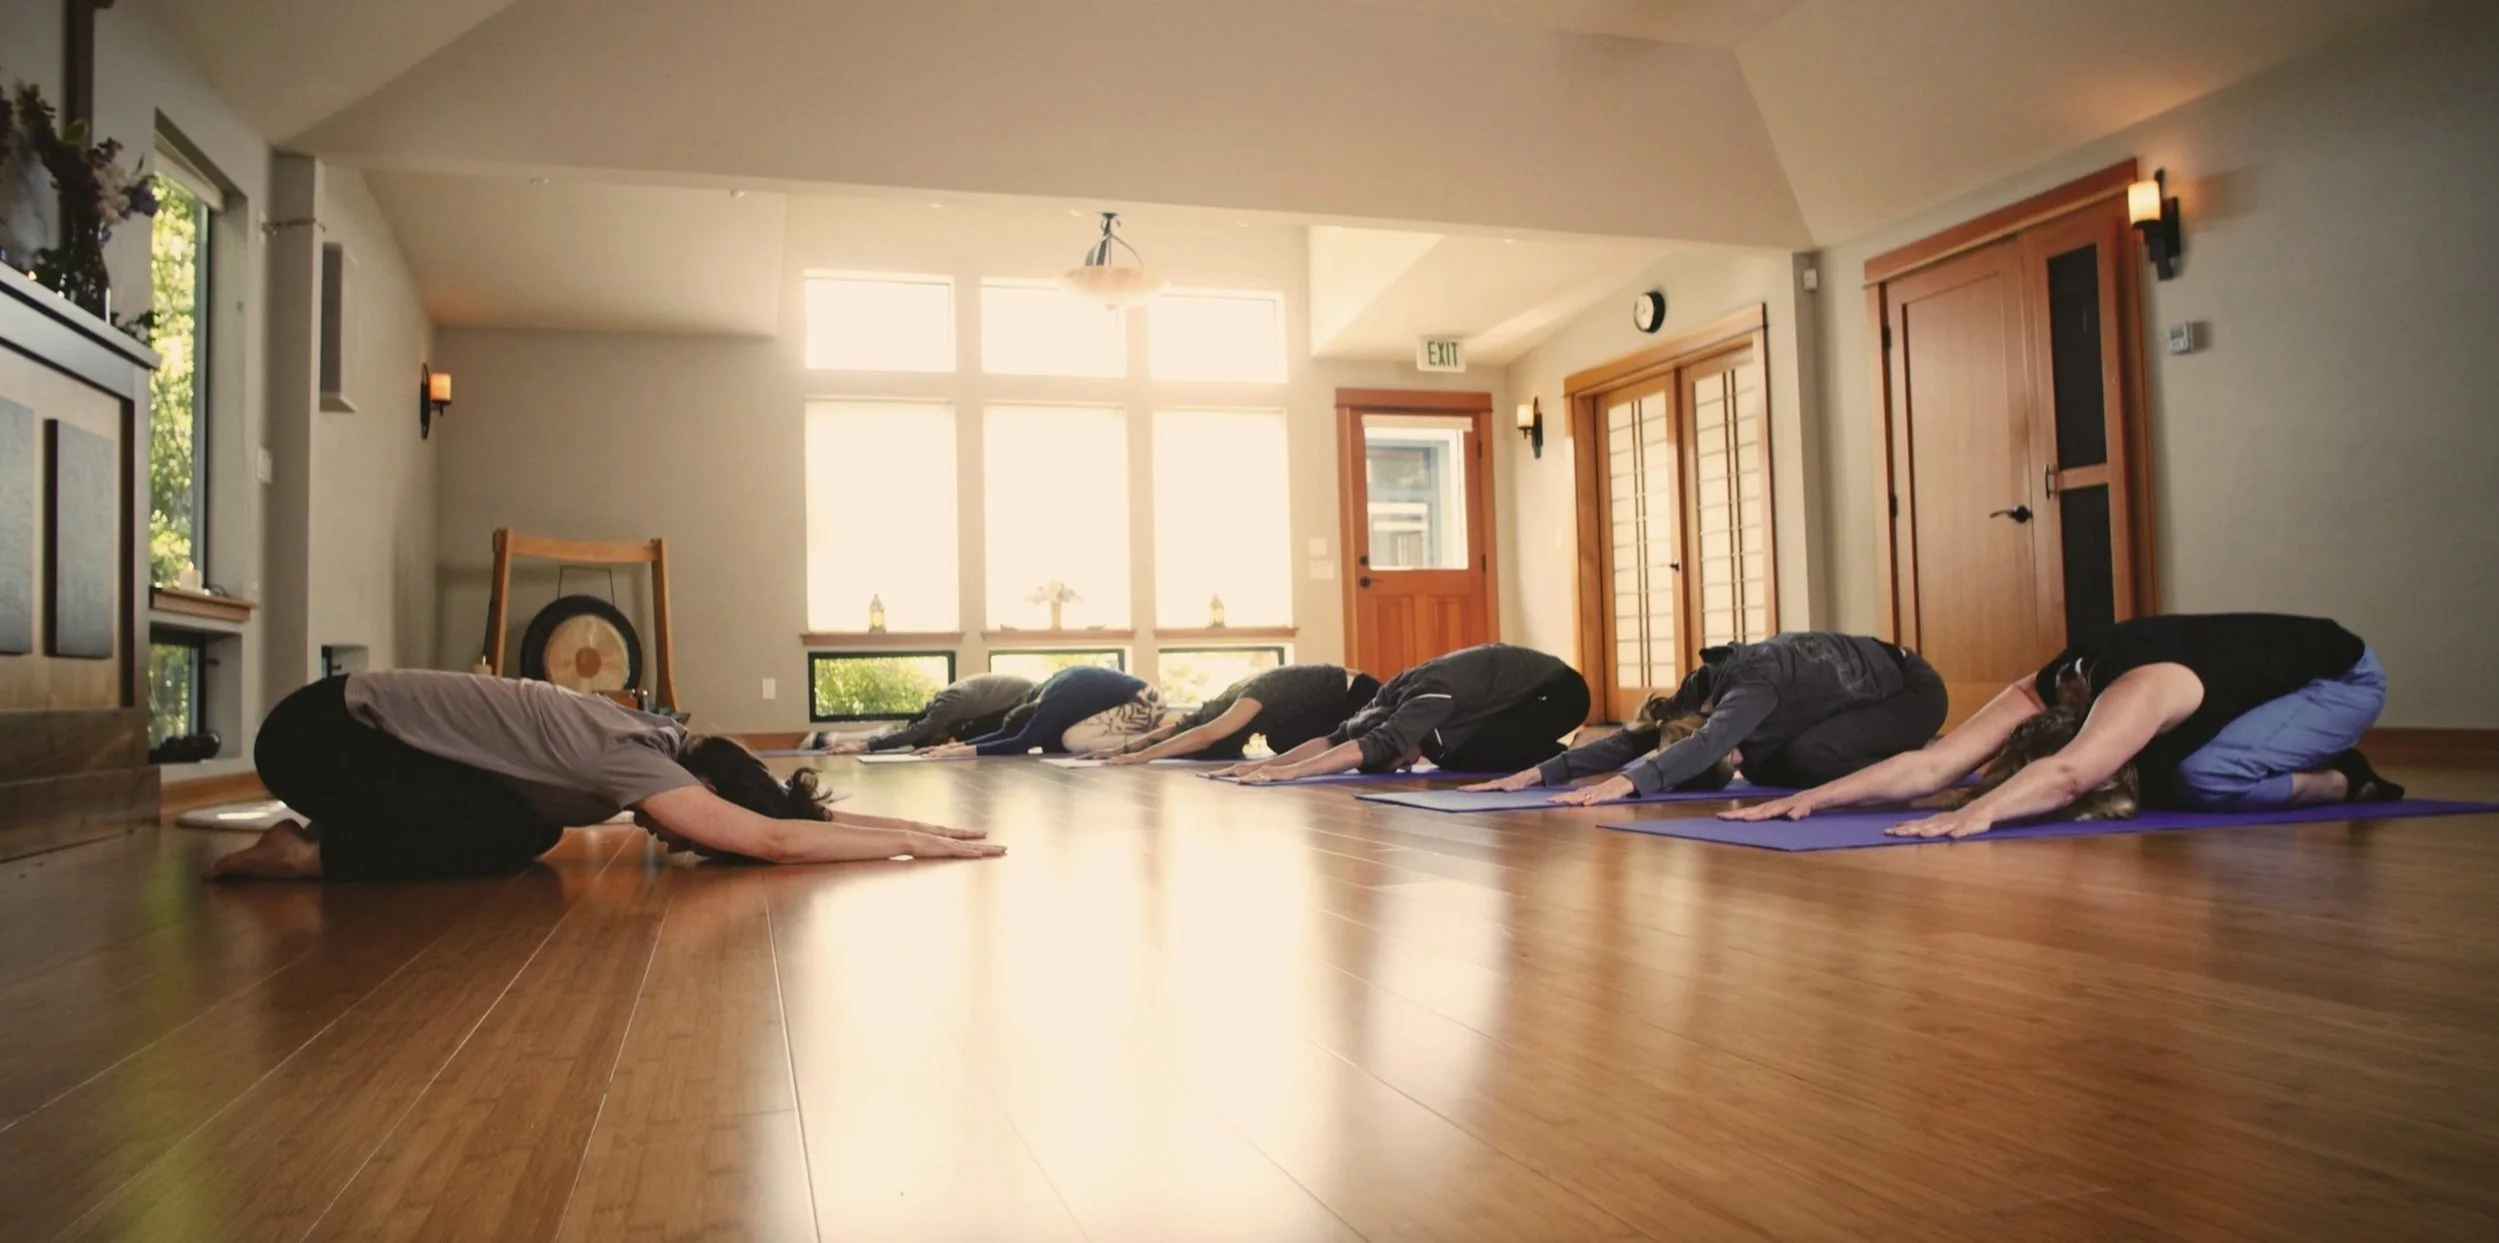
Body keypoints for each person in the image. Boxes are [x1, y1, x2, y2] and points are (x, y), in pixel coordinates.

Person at [207, 671, 1003, 881]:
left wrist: (924, 828)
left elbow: (786, 819)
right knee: (506, 834)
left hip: (337, 729)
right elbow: (772, 840)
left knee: (524, 827)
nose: (677, 838)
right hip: (319, 739)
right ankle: (304, 856)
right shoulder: (626, 756)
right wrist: (915, 846)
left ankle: (327, 838)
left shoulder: (655, 733)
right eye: (693, 829)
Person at [1722, 613, 2401, 839]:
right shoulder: (2050, 680)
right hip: (2238, 686)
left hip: (2336, 681)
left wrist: (1974, 816)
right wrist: (1813, 796)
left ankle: (2345, 778)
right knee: (2162, 773)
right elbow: (1935, 762)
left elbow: (2073, 771)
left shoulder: (2140, 688)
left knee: (2198, 777)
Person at [1463, 632, 1949, 806]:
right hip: (1858, 694)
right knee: (1771, 764)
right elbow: (1640, 737)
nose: (1733, 758)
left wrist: (1627, 785)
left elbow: (1707, 744)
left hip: (1914, 693)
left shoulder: (1752, 686)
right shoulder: (1702, 686)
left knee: (1802, 758)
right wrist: (1541, 772)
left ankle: (1914, 756)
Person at [1218, 643, 1589, 785]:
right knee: (1451, 754)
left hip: (1558, 693)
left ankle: (1580, 749)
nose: (1406, 766)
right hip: (1511, 700)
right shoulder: (1386, 699)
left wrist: (1288, 774)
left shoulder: (1428, 696)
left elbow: (1378, 743)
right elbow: (1334, 740)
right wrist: (1263, 766)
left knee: (1463, 751)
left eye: (1396, 763)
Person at [1089, 664, 1383, 764]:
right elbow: (1183, 727)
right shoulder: (1232, 699)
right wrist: (1124, 747)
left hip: (1360, 695)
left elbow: (1204, 736)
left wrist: (1139, 757)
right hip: (1330, 703)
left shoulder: (1250, 699)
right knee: (1282, 741)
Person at [919, 664, 1163, 757]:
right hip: (1132, 697)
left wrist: (958, 753)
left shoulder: (1054, 703)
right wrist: (954, 746)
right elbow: (1008, 734)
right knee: (1065, 740)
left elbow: (1020, 742)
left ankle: (1151, 740)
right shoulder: (1038, 693)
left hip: (1145, 702)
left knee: (1073, 740)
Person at [804, 671, 1034, 753]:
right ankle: (826, 739)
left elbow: (916, 732)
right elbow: (917, 732)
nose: (942, 739)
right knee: (966, 740)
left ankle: (828, 739)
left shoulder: (947, 705)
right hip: (1014, 701)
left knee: (969, 741)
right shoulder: (947, 704)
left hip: (1028, 698)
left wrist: (864, 746)